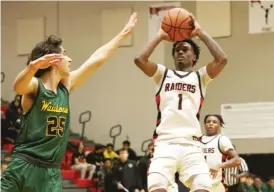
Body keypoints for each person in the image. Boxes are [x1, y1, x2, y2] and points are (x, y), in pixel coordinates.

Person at [1, 13, 137, 192]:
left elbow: (95, 61)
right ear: (54, 61)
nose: (70, 59)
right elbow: (18, 87)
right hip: (24, 166)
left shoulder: (66, 86)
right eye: (65, 55)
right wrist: (33, 66)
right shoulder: (36, 86)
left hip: (51, 172)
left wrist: (121, 36)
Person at [134, 12, 228, 192]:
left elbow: (222, 59)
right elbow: (140, 60)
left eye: (185, 49)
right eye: (177, 50)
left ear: (194, 57)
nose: (180, 52)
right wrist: (160, 36)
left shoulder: (200, 77)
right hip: (164, 143)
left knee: (203, 188)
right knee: (157, 188)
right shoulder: (162, 74)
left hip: (191, 144)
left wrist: (200, 33)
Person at [200, 114, 241, 192]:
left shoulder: (222, 139)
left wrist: (219, 165)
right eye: (208, 122)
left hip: (215, 185)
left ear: (219, 126)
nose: (211, 123)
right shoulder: (198, 140)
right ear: (205, 125)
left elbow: (237, 160)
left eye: (214, 122)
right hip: (198, 183)